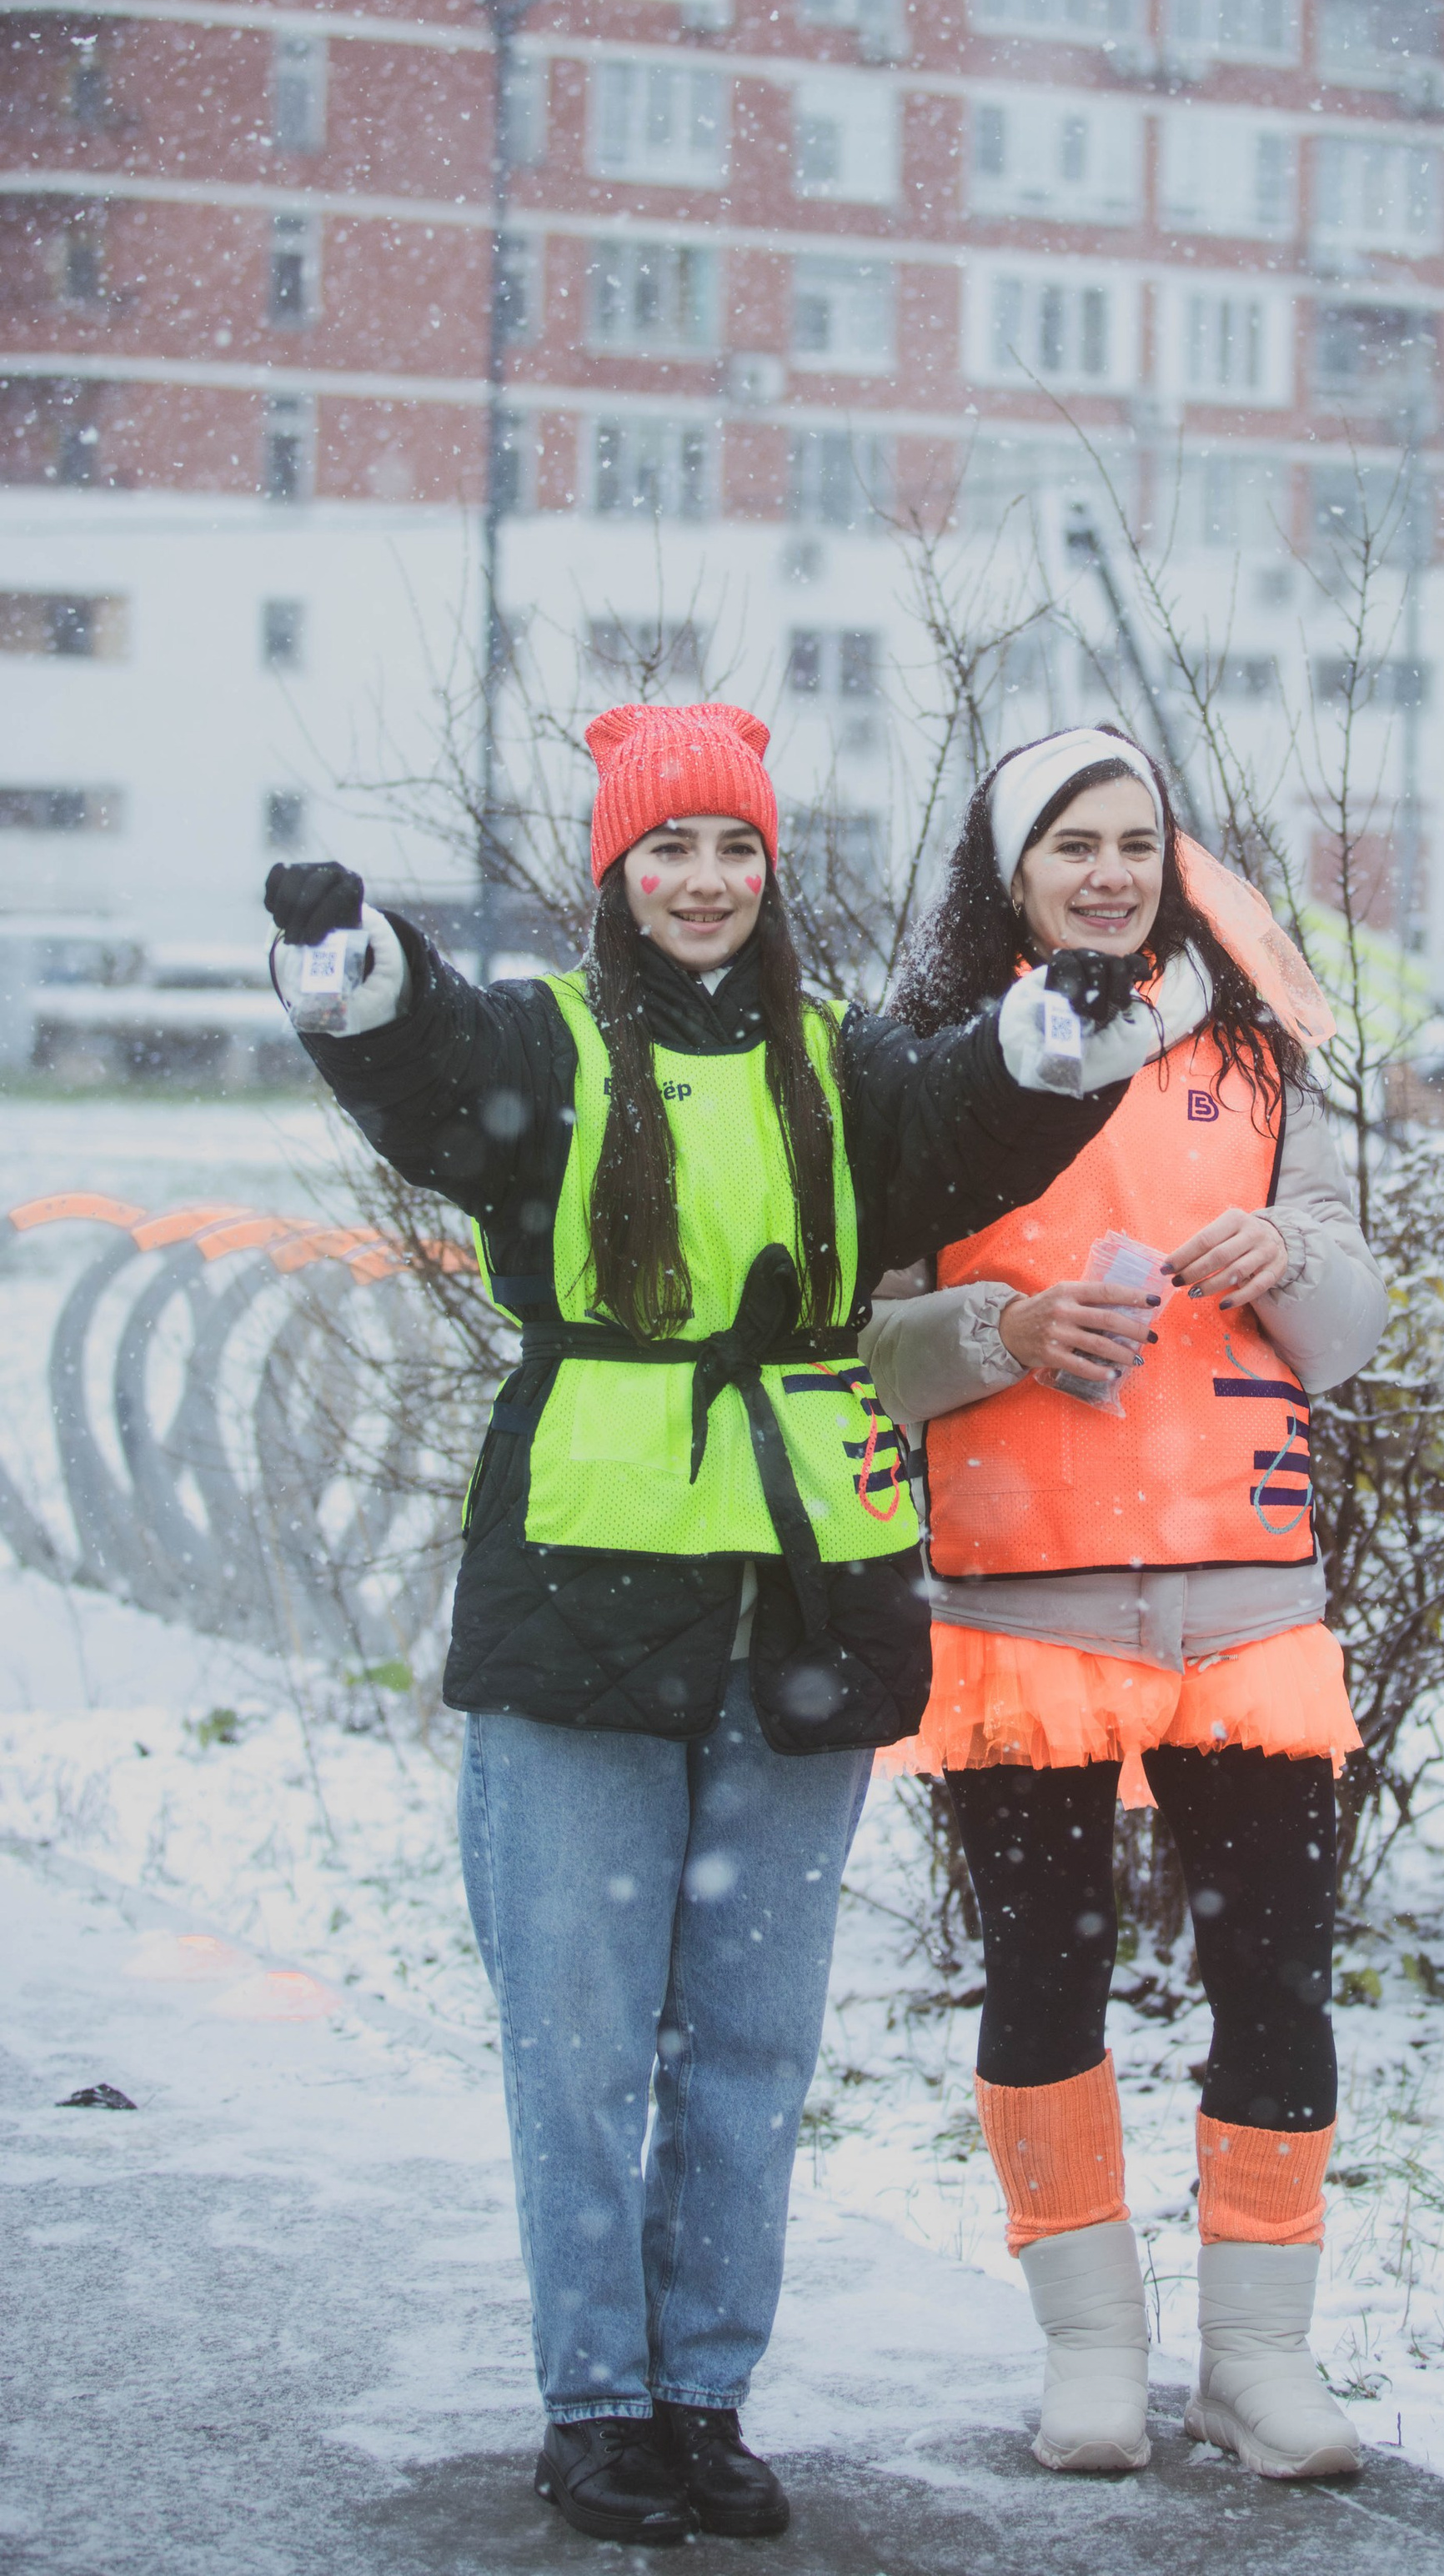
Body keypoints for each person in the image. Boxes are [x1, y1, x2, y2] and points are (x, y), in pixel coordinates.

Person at [263, 700, 1162, 2550]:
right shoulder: (548, 1046)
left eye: (732, 849)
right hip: (584, 1596)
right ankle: (595, 2402)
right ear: (616, 872)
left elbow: (963, 1124)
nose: (701, 881)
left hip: (803, 1600)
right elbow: (431, 1071)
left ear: (770, 870)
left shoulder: (840, 1063)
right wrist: (359, 976)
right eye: (666, 850)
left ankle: (703, 2396)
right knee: (578, 2040)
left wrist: (1049, 1037)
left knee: (751, 2041)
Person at [860, 725, 1388, 2486]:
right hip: (1025, 1597)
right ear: (1004, 877)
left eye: (1134, 844)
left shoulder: (1254, 1053)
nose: (1107, 872)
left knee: (1275, 1984)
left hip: (1250, 1592)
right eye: (1068, 846)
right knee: (1042, 1979)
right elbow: (865, 1348)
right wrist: (996, 1335)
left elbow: (1353, 1334)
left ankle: (1258, 2361)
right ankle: (1090, 2350)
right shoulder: (941, 1070)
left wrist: (1293, 1262)